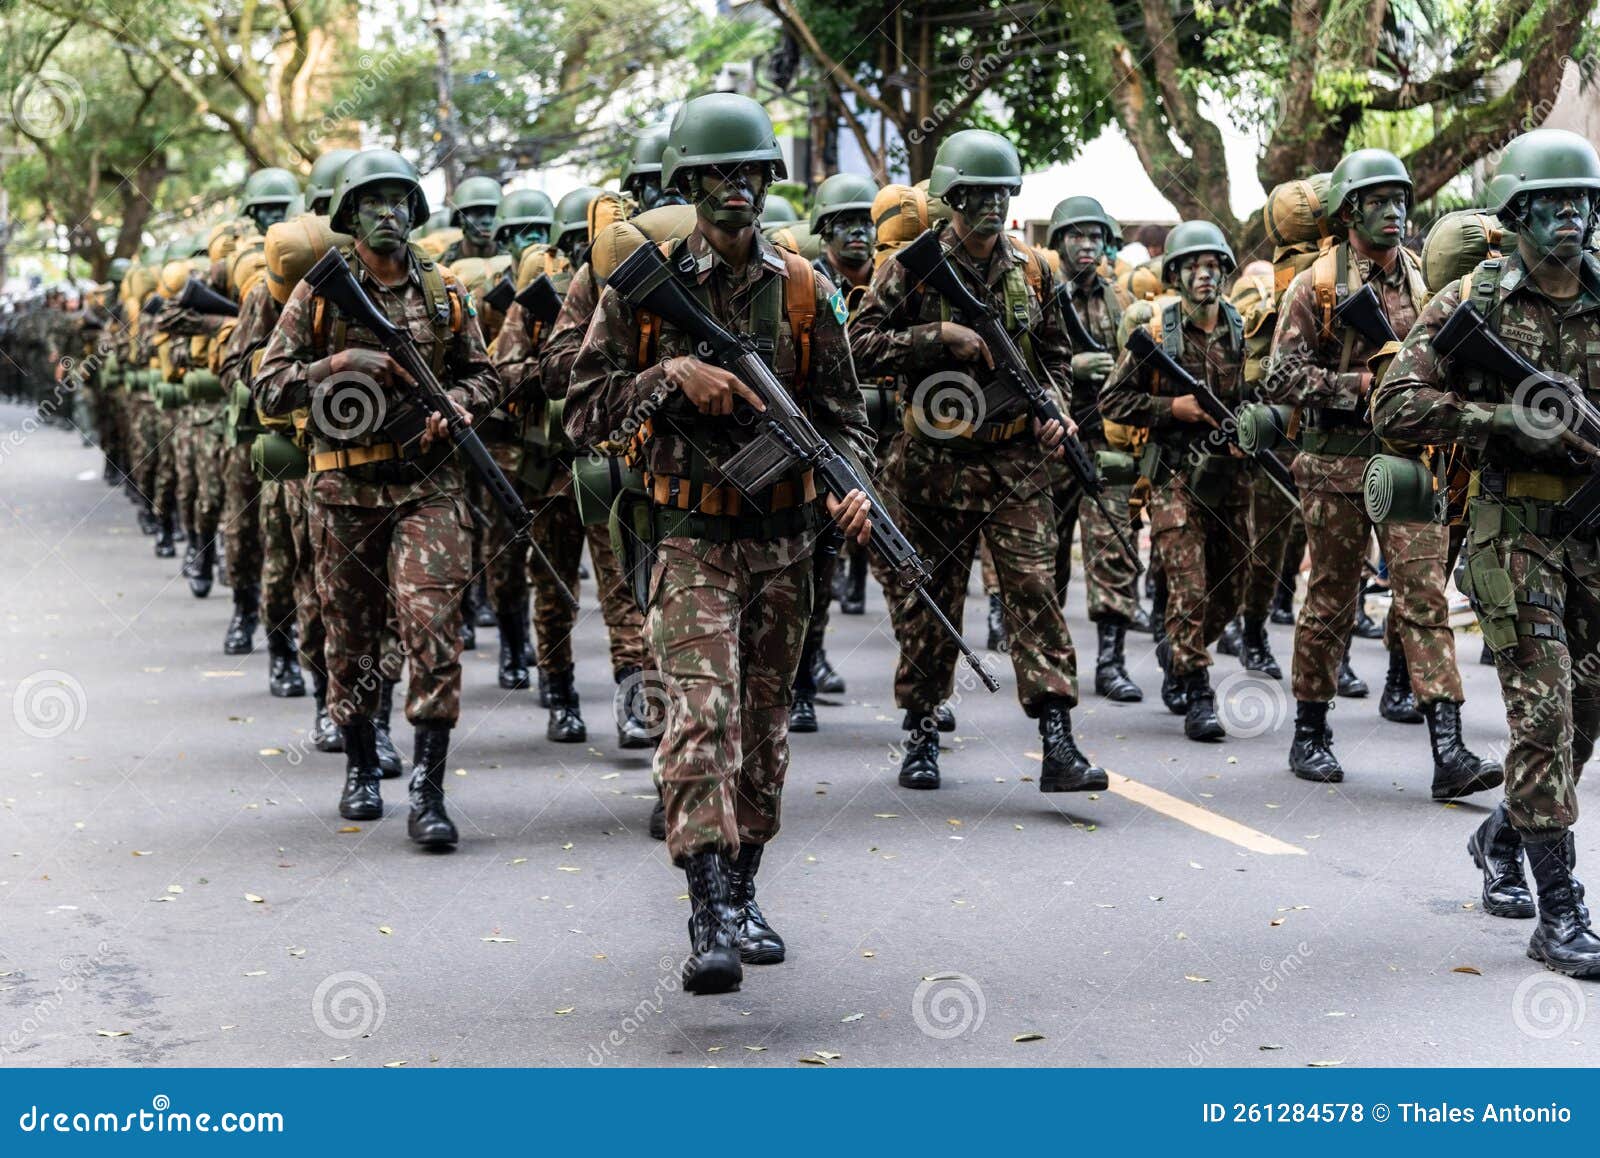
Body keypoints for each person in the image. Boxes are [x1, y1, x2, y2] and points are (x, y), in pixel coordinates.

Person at [565, 93, 874, 994]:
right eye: (718, 175)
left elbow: (845, 418)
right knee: (700, 714)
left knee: (765, 728)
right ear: (690, 182)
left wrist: (850, 490)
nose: (737, 189)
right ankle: (705, 908)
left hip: (783, 542)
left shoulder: (809, 290)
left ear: (768, 184)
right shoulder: (645, 288)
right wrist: (668, 375)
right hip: (690, 537)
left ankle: (744, 888)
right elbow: (584, 412)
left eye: (750, 174)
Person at [1372, 128, 1600, 977]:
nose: (1573, 215)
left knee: (1582, 724)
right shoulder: (1478, 302)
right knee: (1542, 714)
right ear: (1519, 212)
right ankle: (1562, 914)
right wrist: (1503, 422)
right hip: (1514, 537)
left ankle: (1501, 834)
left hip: (1592, 538)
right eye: (1555, 202)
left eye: (1584, 200)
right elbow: (1394, 404)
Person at [254, 148, 499, 848]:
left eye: (398, 201)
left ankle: (427, 789)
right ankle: (362, 765)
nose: (388, 213)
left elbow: (487, 377)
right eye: (371, 203)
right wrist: (338, 362)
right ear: (350, 215)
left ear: (416, 211)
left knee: (431, 629)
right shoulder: (321, 291)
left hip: (430, 488)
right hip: (343, 488)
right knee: (352, 636)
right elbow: (269, 384)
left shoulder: (444, 289)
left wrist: (454, 402)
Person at [850, 128, 1101, 794]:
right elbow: (859, 345)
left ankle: (1058, 739)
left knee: (1034, 593)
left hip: (1015, 462)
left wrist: (1055, 407)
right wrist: (940, 337)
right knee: (932, 597)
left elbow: (1053, 356)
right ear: (953, 198)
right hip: (931, 462)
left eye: (1000, 194)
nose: (991, 206)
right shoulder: (909, 265)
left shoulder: (1036, 269)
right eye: (976, 195)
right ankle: (923, 728)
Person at [1266, 148, 1499, 795]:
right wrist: (1358, 383)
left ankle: (1448, 750)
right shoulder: (1315, 286)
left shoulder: (1427, 283)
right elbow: (1278, 378)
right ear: (1348, 212)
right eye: (1378, 201)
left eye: (1399, 200)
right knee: (1333, 597)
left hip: (1408, 463)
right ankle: (1310, 730)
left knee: (1424, 599)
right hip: (1336, 464)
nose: (1393, 212)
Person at [1100, 221, 1248, 740]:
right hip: (1174, 478)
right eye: (1194, 267)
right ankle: (1198, 688)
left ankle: (1176, 645)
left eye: (1212, 267)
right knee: (1190, 585)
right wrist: (1173, 408)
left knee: (1233, 586)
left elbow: (1255, 400)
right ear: (1177, 275)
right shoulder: (1158, 334)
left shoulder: (1239, 330)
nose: (1205, 275)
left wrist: (1246, 430)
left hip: (1228, 476)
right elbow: (1112, 401)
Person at [787, 170, 880, 731]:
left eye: (864, 224)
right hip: (803, 450)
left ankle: (809, 662)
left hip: (860, 443)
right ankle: (797, 683)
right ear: (824, 233)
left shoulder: (889, 285)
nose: (856, 235)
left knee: (827, 568)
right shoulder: (804, 286)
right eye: (843, 225)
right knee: (803, 574)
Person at [1046, 195, 1143, 703]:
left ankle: (1111, 661)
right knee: (1045, 555)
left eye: (1096, 236)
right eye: (1076, 236)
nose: (1087, 246)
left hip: (1105, 440)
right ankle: (1047, 657)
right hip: (1049, 440)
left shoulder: (1121, 303)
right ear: (1059, 241)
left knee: (1112, 548)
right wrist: (1073, 369)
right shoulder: (1041, 294)